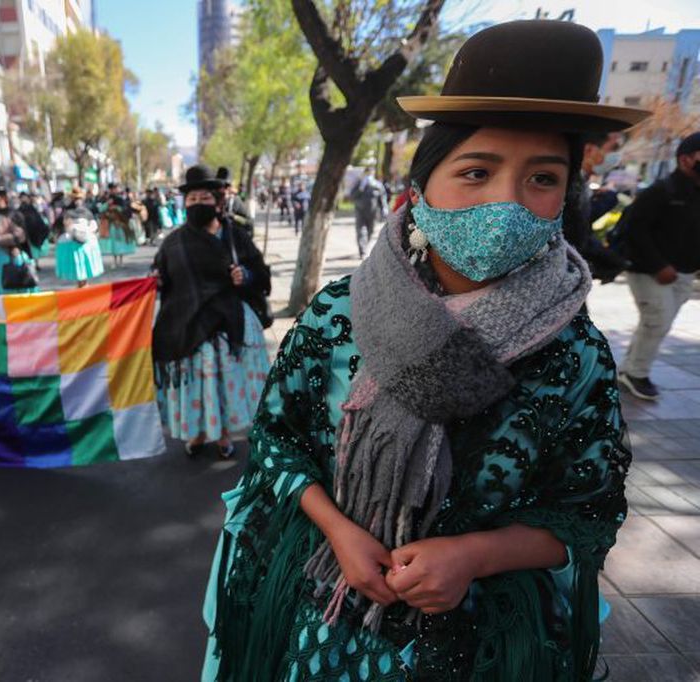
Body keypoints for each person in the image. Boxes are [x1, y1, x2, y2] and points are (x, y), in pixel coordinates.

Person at [202, 20, 647, 681]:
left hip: (484, 647)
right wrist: (339, 531)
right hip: (325, 620)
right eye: (475, 171)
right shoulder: (335, 315)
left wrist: (474, 556)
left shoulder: (573, 352)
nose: (506, 202)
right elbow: (277, 440)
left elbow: (588, 510)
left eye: (542, 178)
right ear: (419, 185)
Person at [152, 165, 271, 460]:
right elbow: (161, 273)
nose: (197, 204)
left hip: (230, 324)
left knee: (223, 384)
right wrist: (156, 277)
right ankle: (198, 433)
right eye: (191, 199)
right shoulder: (174, 241)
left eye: (203, 198)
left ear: (216, 201)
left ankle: (224, 434)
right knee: (198, 384)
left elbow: (260, 272)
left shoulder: (236, 236)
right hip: (189, 324)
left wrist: (246, 275)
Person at [612, 131, 700, 400]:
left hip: (683, 274)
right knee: (657, 321)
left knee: (657, 324)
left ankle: (628, 369)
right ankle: (637, 373)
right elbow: (634, 231)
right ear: (686, 159)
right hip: (650, 272)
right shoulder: (660, 191)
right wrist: (659, 265)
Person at [562, 132, 629, 283]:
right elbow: (575, 226)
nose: (615, 156)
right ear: (589, 150)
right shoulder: (570, 182)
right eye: (613, 148)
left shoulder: (580, 182)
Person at [54, 187, 105, 288]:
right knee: (78, 265)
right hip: (73, 243)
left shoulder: (86, 211)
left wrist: (87, 231)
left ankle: (84, 283)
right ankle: (81, 283)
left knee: (83, 264)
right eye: (76, 199)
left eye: (79, 199)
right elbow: (59, 225)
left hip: (84, 242)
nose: (78, 201)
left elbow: (93, 224)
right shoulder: (67, 212)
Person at [349, 167, 388, 257]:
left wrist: (384, 209)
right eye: (368, 173)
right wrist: (361, 188)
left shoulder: (377, 185)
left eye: (371, 173)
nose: (369, 175)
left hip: (373, 212)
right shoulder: (359, 184)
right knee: (361, 231)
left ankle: (365, 245)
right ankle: (362, 250)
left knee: (370, 230)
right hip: (360, 211)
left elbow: (382, 198)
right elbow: (351, 196)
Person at [99, 191, 138, 267]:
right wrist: (107, 204)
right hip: (113, 227)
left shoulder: (119, 208)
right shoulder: (108, 207)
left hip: (120, 227)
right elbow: (101, 210)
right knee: (114, 244)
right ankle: (115, 261)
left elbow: (124, 215)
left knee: (120, 243)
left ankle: (120, 261)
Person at [17, 191, 52, 261]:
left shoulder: (32, 208)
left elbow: (37, 218)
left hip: (34, 230)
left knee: (33, 248)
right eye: (22, 198)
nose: (23, 199)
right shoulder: (19, 209)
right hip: (25, 231)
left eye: (24, 197)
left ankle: (35, 262)